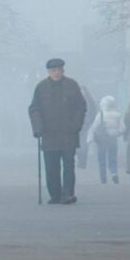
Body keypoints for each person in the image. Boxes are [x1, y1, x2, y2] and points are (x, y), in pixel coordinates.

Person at [28, 58, 87, 204]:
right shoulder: (41, 87)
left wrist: (76, 125)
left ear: (63, 70)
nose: (56, 73)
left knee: (68, 165)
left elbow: (81, 106)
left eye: (59, 70)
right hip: (49, 134)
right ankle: (55, 194)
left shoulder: (72, 85)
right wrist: (37, 128)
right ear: (49, 72)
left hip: (69, 133)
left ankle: (68, 194)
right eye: (53, 70)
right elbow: (34, 109)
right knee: (51, 167)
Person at [87, 95, 123, 184]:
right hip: (113, 139)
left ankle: (103, 180)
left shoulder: (101, 114)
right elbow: (123, 128)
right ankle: (114, 173)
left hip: (102, 140)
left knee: (102, 160)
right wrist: (117, 133)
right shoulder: (118, 115)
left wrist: (90, 139)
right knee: (113, 159)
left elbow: (94, 127)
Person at [76, 85, 97, 170]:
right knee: (79, 143)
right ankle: (81, 160)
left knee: (83, 143)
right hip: (78, 124)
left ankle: (82, 161)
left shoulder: (89, 101)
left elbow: (93, 112)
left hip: (85, 125)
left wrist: (89, 122)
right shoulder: (77, 100)